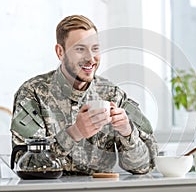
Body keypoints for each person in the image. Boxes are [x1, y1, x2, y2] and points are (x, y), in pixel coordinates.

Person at [10, 15, 158, 175]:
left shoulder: (112, 95)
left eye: (95, 48)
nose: (90, 58)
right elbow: (24, 163)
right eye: (80, 49)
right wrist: (75, 133)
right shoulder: (33, 93)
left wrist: (127, 132)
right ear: (60, 52)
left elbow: (146, 165)